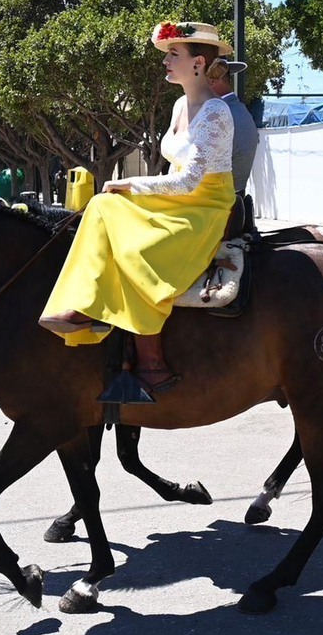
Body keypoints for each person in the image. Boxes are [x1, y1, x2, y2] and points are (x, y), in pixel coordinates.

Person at [39, 21, 237, 398]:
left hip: (204, 205)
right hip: (177, 198)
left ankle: (145, 354)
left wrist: (130, 183)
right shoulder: (180, 105)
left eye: (172, 54)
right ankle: (85, 308)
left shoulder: (215, 112)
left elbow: (188, 182)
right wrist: (132, 189)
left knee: (120, 223)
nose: (165, 61)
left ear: (197, 63)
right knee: (101, 205)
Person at [205, 56, 257, 197]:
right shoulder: (239, 109)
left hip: (215, 202)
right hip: (232, 198)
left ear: (213, 80)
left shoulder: (220, 114)